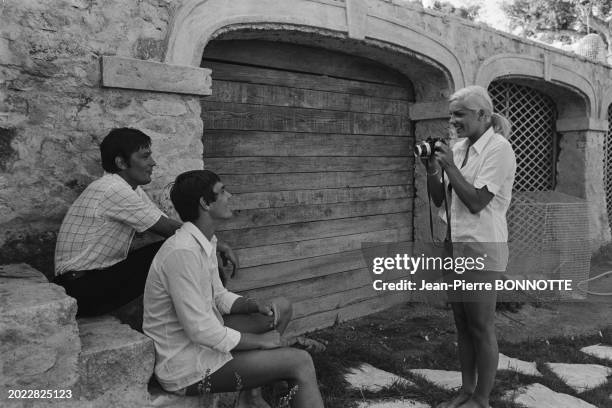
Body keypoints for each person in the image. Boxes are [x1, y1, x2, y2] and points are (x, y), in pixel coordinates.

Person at [143, 170, 324, 408]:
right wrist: (260, 342)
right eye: (222, 191)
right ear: (205, 203)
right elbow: (200, 330)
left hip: (203, 341)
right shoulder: (182, 252)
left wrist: (253, 306)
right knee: (300, 361)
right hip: (186, 364)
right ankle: (263, 382)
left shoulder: (206, 240)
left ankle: (250, 397)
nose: (230, 195)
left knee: (280, 308)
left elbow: (218, 296)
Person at [53, 128, 237, 316]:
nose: (153, 163)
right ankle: (211, 313)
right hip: (80, 290)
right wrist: (214, 245)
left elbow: (164, 221)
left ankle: (213, 307)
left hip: (93, 280)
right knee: (181, 247)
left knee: (185, 245)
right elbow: (169, 229)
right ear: (121, 162)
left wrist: (211, 245)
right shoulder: (113, 189)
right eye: (145, 157)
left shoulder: (130, 189)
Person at [423, 86, 516, 408]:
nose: (453, 120)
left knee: (480, 325)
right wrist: (432, 167)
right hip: (455, 245)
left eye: (459, 114)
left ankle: (481, 398)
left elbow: (477, 202)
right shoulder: (460, 147)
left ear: (483, 115)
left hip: (481, 247)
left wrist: (449, 166)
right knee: (462, 323)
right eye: (451, 114)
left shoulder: (499, 149)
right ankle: (465, 390)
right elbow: (439, 199)